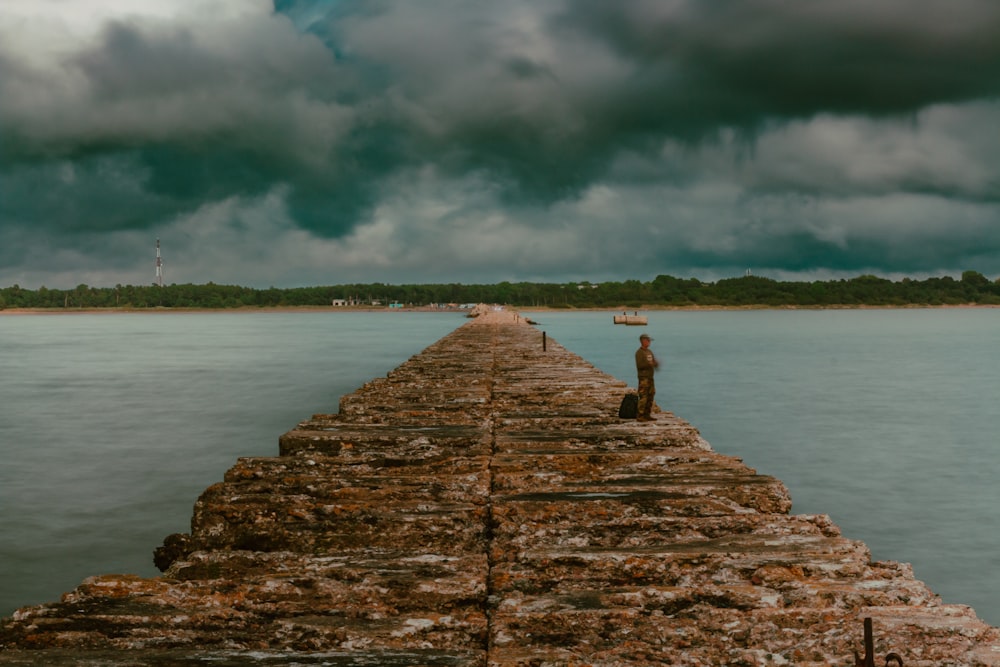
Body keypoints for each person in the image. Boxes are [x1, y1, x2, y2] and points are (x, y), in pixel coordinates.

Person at [634, 333, 659, 421]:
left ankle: (647, 414)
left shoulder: (649, 351)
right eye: (648, 341)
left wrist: (655, 364)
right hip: (643, 378)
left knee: (650, 395)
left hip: (650, 377)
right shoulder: (639, 353)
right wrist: (649, 364)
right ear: (643, 341)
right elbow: (640, 365)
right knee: (643, 397)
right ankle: (640, 415)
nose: (649, 342)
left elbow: (653, 361)